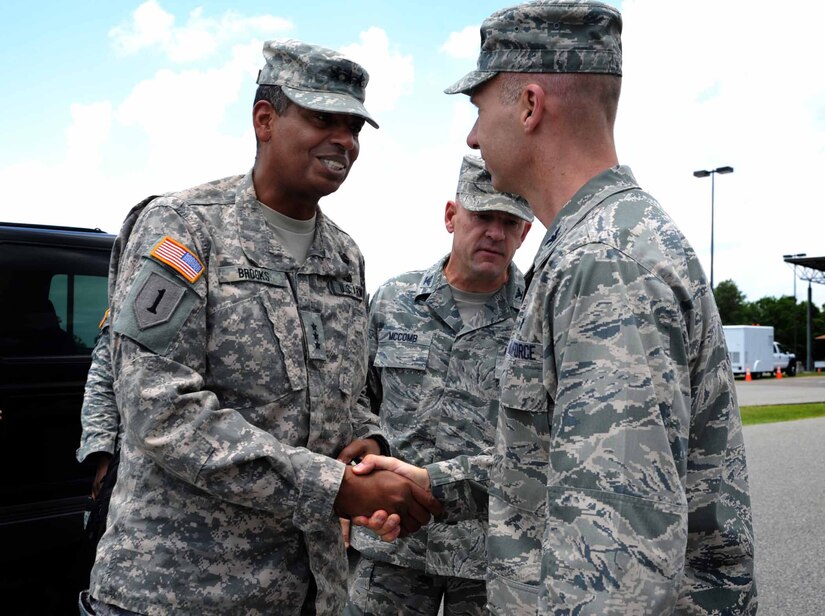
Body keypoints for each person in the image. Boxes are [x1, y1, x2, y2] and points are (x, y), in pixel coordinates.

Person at [354, 2, 757, 614]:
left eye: (479, 107)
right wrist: (435, 483)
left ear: (530, 105)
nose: (473, 135)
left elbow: (614, 567)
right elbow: (561, 464)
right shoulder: (594, 245)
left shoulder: (605, 263)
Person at [82, 39, 440, 616]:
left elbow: (346, 398)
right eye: (324, 118)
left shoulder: (344, 257)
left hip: (308, 590)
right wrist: (336, 489)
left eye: (354, 127)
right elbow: (160, 409)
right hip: (180, 593)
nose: (345, 141)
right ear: (265, 119)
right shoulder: (182, 230)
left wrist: (368, 444)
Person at [345, 155, 531, 615]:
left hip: (493, 556)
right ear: (451, 216)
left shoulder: (537, 316)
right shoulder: (394, 301)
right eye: (482, 216)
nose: (495, 232)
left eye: (510, 222)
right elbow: (356, 400)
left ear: (525, 233)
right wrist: (350, 488)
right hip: (391, 544)